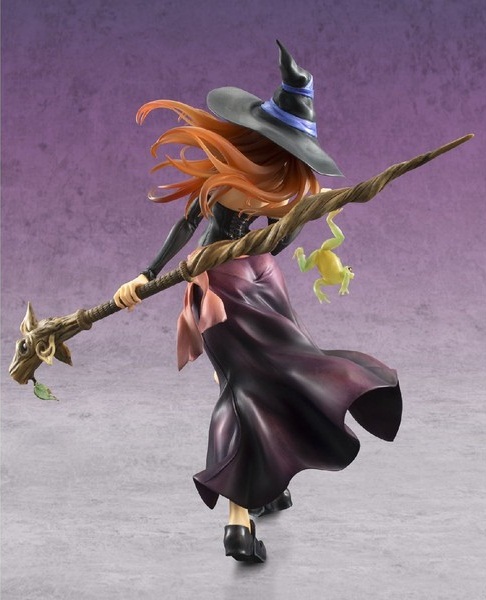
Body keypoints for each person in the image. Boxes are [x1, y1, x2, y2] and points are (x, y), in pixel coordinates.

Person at [114, 41, 402, 563]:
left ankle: (264, 488)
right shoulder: (234, 180)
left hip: (261, 280)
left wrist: (298, 216)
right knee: (248, 388)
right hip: (224, 289)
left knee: (277, 377)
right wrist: (146, 274)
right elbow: (189, 226)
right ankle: (238, 518)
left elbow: (273, 241)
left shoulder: (281, 186)